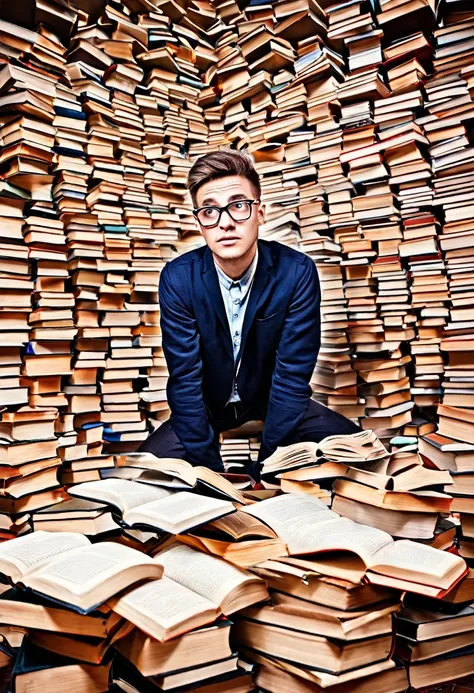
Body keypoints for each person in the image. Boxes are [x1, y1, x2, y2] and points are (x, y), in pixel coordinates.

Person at [139, 150, 359, 480]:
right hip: (207, 406)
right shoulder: (178, 278)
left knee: (358, 454)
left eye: (238, 205)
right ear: (200, 222)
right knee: (148, 476)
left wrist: (268, 470)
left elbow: (292, 377)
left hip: (275, 401)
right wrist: (214, 477)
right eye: (210, 210)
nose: (225, 222)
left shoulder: (296, 273)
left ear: (260, 213)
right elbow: (184, 381)